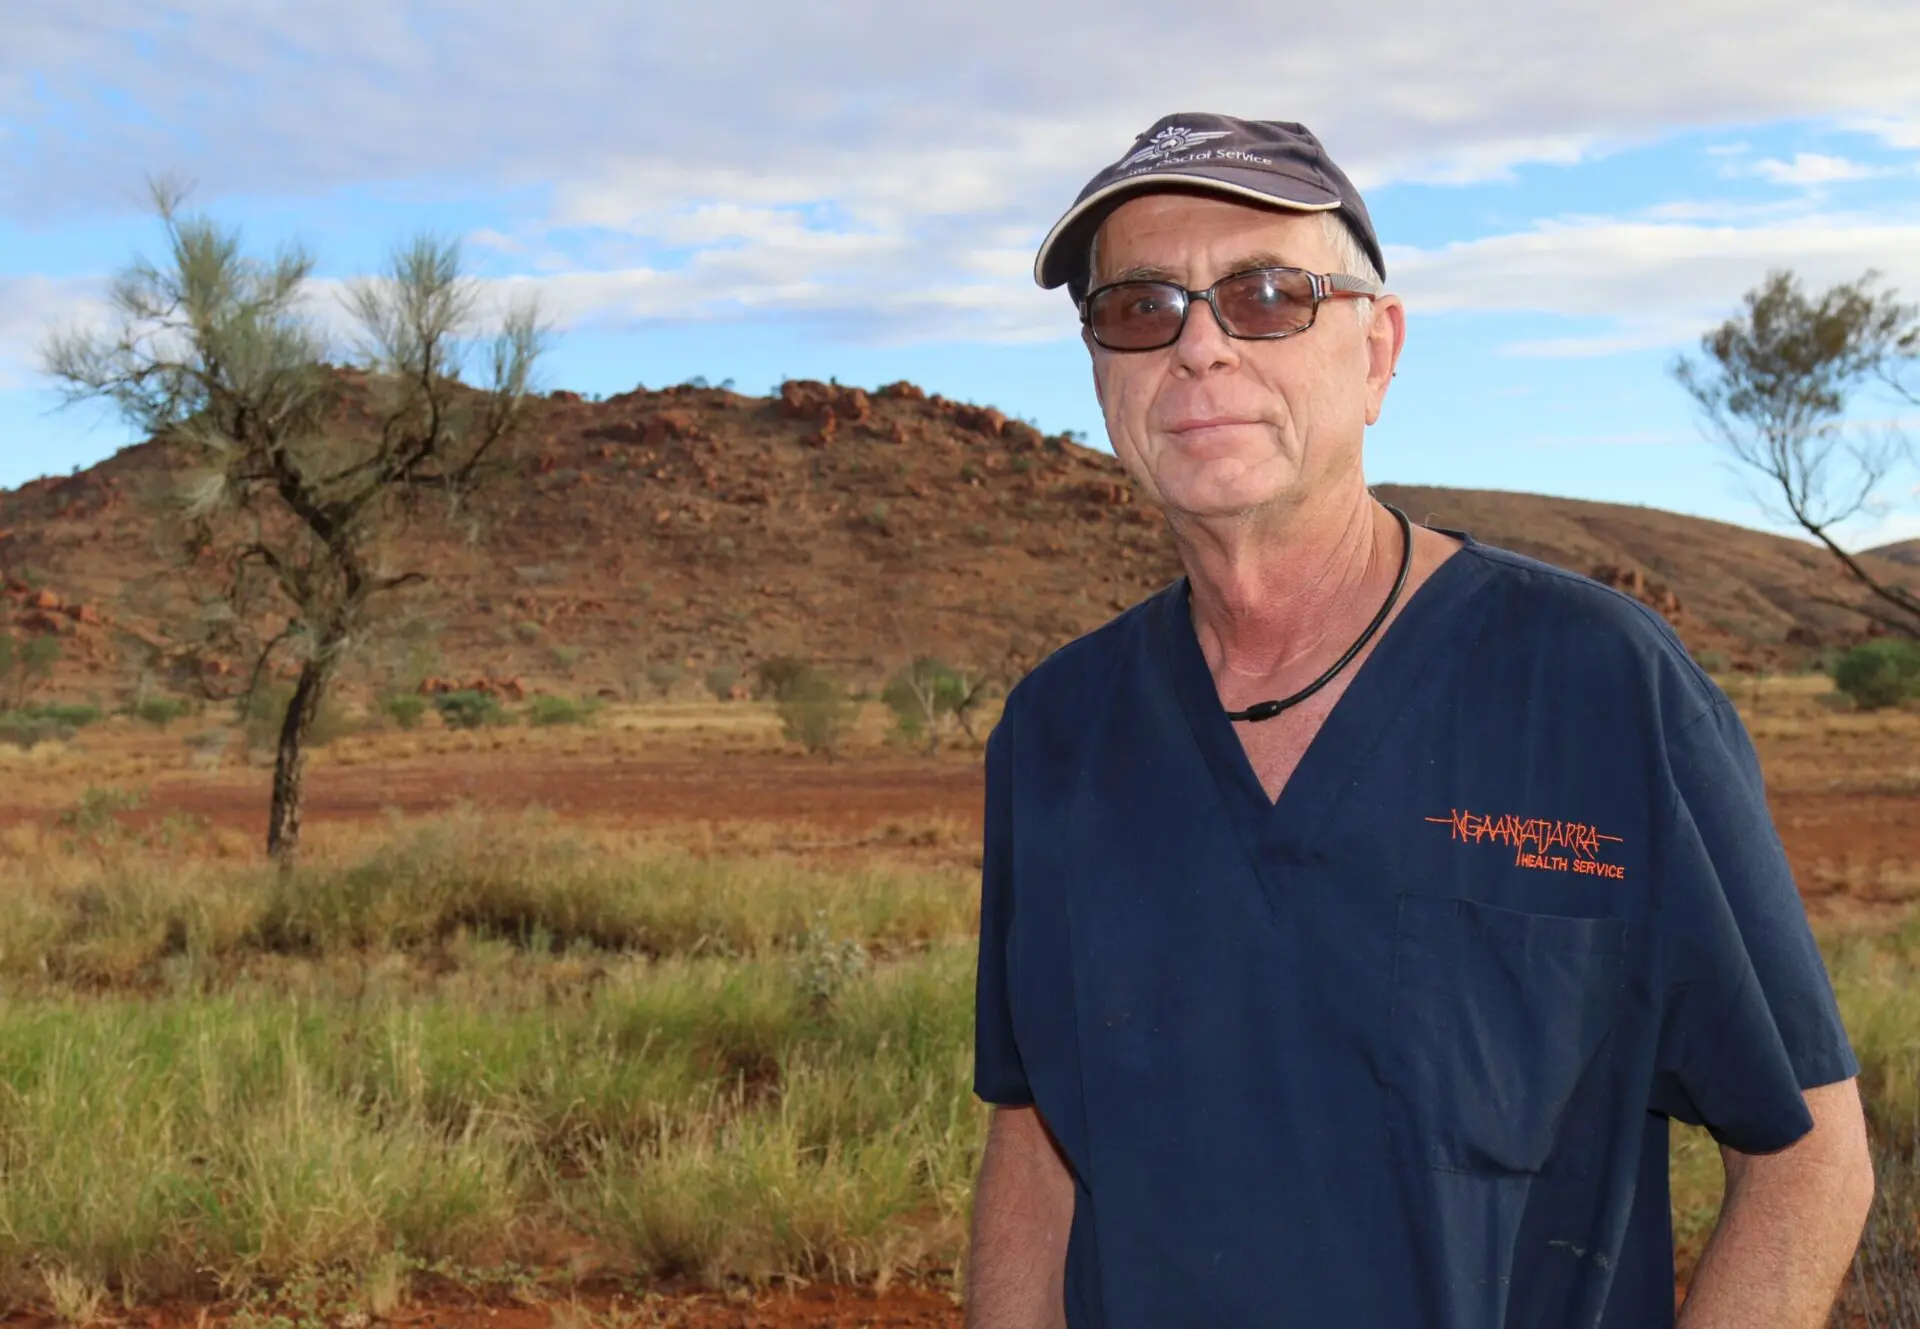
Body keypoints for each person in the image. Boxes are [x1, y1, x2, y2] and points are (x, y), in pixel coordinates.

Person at [965, 113, 1874, 1329]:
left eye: (1269, 294)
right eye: (1141, 308)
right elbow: (1036, 1149)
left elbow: (1809, 1160)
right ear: (1101, 365)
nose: (1200, 350)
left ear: (1378, 350)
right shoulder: (1057, 733)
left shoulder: (1602, 687)